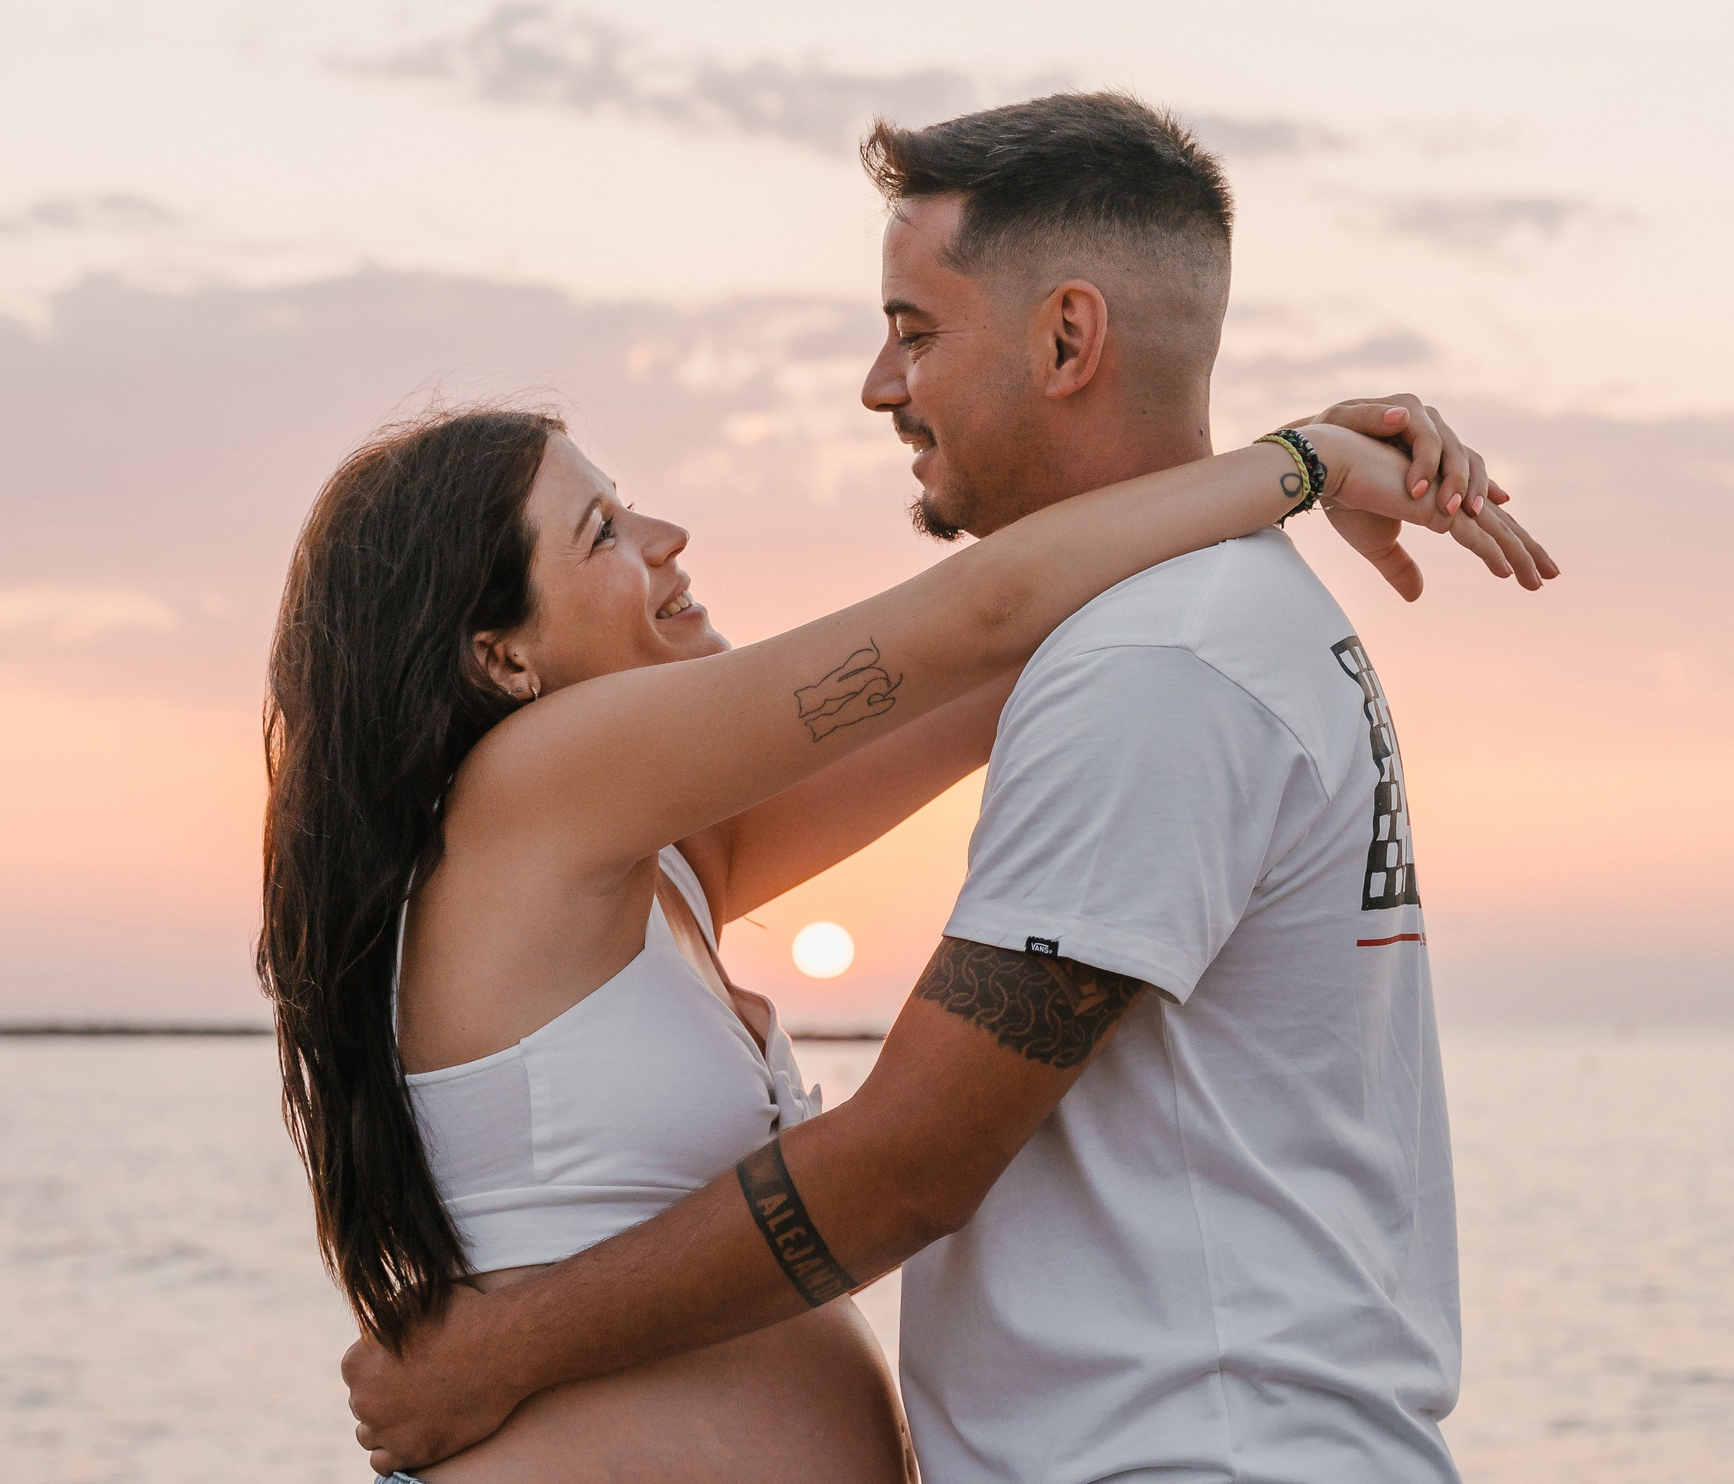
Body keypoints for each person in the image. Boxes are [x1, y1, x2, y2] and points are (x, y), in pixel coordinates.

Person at [338, 94, 1556, 1484]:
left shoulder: (1157, 648)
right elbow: (980, 625)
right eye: (605, 532)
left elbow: (993, 652)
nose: (877, 383)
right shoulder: (538, 788)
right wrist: (1294, 465)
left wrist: (1272, 475)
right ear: (494, 651)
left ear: (1065, 337)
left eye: (912, 331)